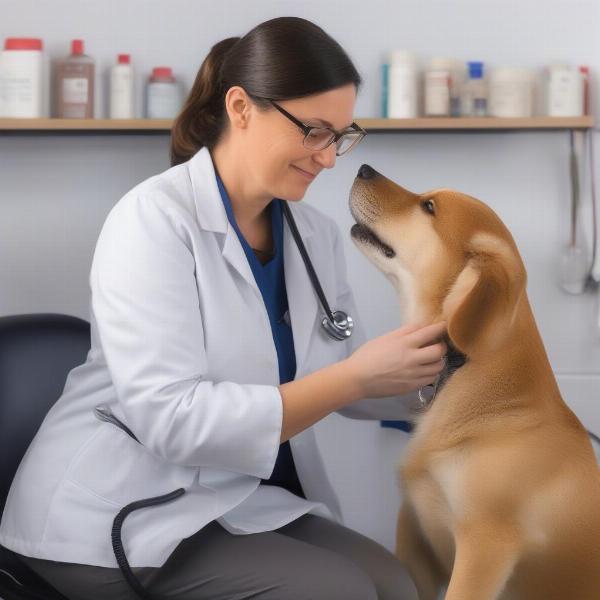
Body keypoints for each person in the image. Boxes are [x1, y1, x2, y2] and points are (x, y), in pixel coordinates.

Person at [0, 16, 447, 600]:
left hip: (226, 497)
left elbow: (345, 378)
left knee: (395, 582)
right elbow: (172, 418)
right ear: (240, 108)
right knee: (341, 592)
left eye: (341, 135)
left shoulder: (313, 235)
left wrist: (445, 380)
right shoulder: (153, 220)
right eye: (314, 131)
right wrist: (354, 376)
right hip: (116, 509)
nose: (330, 158)